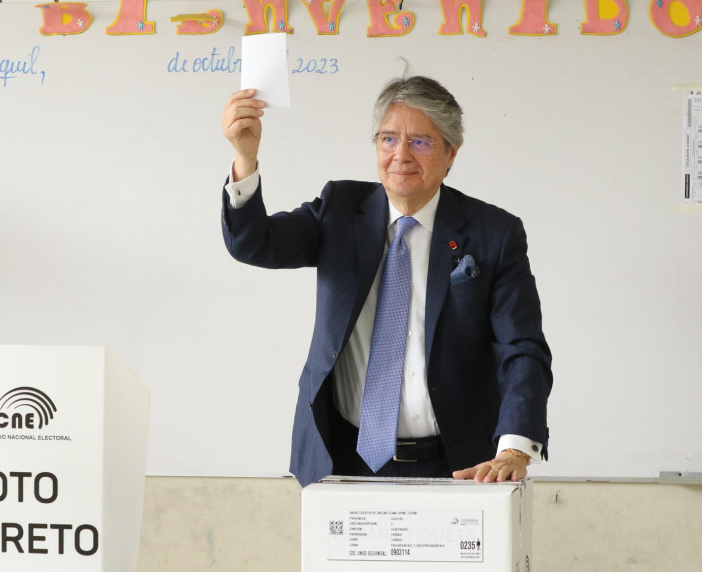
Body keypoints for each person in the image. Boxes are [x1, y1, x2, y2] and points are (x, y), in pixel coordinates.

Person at [220, 72, 551, 487]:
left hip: (459, 464)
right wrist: (245, 158)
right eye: (388, 139)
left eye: (421, 142)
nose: (401, 155)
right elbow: (254, 243)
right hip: (342, 458)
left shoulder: (494, 233)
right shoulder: (340, 209)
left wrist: (515, 448)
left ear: (451, 153)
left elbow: (521, 349)